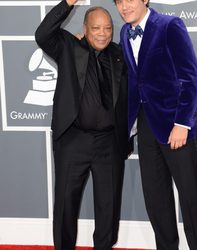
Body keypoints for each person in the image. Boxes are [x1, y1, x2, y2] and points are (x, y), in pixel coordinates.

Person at [113, 0, 197, 249]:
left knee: (192, 198)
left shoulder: (170, 25)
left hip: (176, 124)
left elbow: (190, 77)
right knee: (156, 200)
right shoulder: (124, 32)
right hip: (146, 126)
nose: (124, 6)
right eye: (119, 1)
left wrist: (183, 123)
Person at [35, 0, 131, 249]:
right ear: (86, 29)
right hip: (73, 141)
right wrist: (67, 3)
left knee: (108, 207)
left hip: (109, 143)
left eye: (107, 28)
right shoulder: (68, 47)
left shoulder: (121, 54)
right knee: (66, 205)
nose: (102, 34)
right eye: (96, 28)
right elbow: (43, 34)